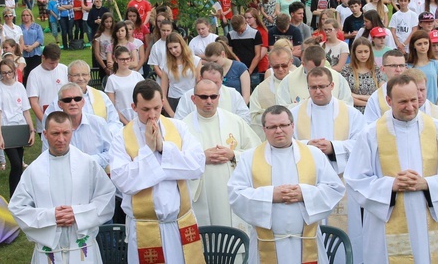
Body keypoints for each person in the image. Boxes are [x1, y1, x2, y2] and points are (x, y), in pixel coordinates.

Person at [344, 74, 438, 263]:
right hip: (386, 221)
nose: (410, 107)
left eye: (414, 100)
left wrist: (426, 183)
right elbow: (356, 179)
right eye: (402, 102)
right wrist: (390, 186)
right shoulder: (370, 134)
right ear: (388, 100)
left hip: (431, 216)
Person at [228, 105, 344, 264]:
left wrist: (304, 193)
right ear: (264, 129)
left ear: (292, 126)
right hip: (267, 245)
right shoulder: (250, 158)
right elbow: (235, 194)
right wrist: (271, 195)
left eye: (283, 125)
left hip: (306, 243)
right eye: (272, 127)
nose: (278, 130)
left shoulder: (313, 154)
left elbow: (334, 188)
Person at [109, 80, 206, 264]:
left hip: (180, 224)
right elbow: (123, 181)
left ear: (163, 101)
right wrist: (148, 151)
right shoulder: (121, 138)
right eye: (145, 109)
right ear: (134, 107)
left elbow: (197, 166)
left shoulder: (178, 128)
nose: (152, 115)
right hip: (145, 226)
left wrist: (162, 148)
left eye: (156, 107)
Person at [9, 110, 115, 264]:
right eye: (55, 133)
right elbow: (18, 208)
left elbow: (106, 198)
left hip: (82, 251)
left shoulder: (88, 164)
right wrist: (51, 216)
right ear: (45, 134)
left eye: (66, 133)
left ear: (71, 131)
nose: (61, 139)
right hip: (49, 253)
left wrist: (77, 214)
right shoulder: (34, 170)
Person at [292, 67, 365, 261]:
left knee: (346, 230)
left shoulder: (351, 114)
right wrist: (308, 146)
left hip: (342, 184)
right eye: (313, 87)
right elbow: (285, 144)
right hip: (309, 184)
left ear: (332, 85)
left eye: (322, 86)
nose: (317, 91)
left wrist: (333, 147)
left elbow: (362, 145)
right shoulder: (294, 114)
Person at [182, 79, 259, 233]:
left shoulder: (235, 121)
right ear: (193, 99)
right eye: (203, 97)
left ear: (219, 97)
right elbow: (175, 163)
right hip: (202, 194)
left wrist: (234, 155)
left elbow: (257, 154)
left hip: (231, 191)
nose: (209, 101)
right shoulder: (183, 126)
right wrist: (201, 158)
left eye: (213, 96)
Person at [0, 59, 36, 196]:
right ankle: (13, 195)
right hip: (7, 129)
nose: (6, 76)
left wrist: (31, 130)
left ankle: (19, 194)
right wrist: (0, 136)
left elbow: (25, 110)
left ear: (14, 71)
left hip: (20, 127)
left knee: (19, 164)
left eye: (9, 72)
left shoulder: (19, 87)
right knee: (16, 164)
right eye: (3, 73)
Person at [276, 45, 353, 107]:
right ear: (303, 64)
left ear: (325, 61)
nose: (317, 74)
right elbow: (282, 107)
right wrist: (306, 104)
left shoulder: (337, 78)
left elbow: (348, 103)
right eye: (313, 70)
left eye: (321, 68)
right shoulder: (289, 80)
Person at [249, 47, 295, 140]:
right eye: (276, 66)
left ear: (291, 62)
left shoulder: (302, 83)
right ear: (270, 64)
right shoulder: (260, 89)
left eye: (284, 65)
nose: (280, 69)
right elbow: (253, 117)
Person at [26, 43, 68, 133]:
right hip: (45, 123)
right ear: (43, 57)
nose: (54, 66)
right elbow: (34, 103)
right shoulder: (34, 74)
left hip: (65, 119)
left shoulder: (64, 69)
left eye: (57, 62)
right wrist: (45, 122)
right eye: (51, 63)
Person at [160, 33, 200, 115]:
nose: (173, 51)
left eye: (175, 47)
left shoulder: (195, 60)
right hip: (174, 100)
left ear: (182, 45)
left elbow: (199, 82)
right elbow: (162, 93)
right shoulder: (167, 65)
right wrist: (171, 114)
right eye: (170, 49)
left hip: (192, 99)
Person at [340, 37, 382, 112]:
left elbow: (380, 94)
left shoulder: (376, 69)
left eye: (366, 51)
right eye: (359, 52)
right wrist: (368, 102)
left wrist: (357, 96)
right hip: (353, 110)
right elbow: (346, 95)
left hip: (374, 110)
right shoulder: (346, 70)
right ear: (354, 52)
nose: (363, 55)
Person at [20, 9, 44, 85]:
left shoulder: (37, 27)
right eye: (23, 15)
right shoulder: (18, 28)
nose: (25, 17)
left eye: (27, 15)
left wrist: (32, 47)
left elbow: (40, 39)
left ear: (31, 16)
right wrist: (23, 47)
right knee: (25, 74)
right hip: (23, 54)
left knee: (35, 73)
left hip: (35, 53)